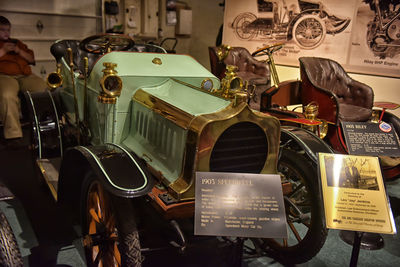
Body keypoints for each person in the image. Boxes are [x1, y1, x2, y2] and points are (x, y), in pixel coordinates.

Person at [0, 16, 46, 148]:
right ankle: (13, 135)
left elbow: (31, 59)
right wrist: (4, 51)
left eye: (8, 30)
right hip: (5, 76)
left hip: (25, 75)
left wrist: (18, 51)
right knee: (7, 95)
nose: (6, 33)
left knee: (43, 89)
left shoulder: (17, 43)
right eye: (2, 30)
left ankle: (45, 129)